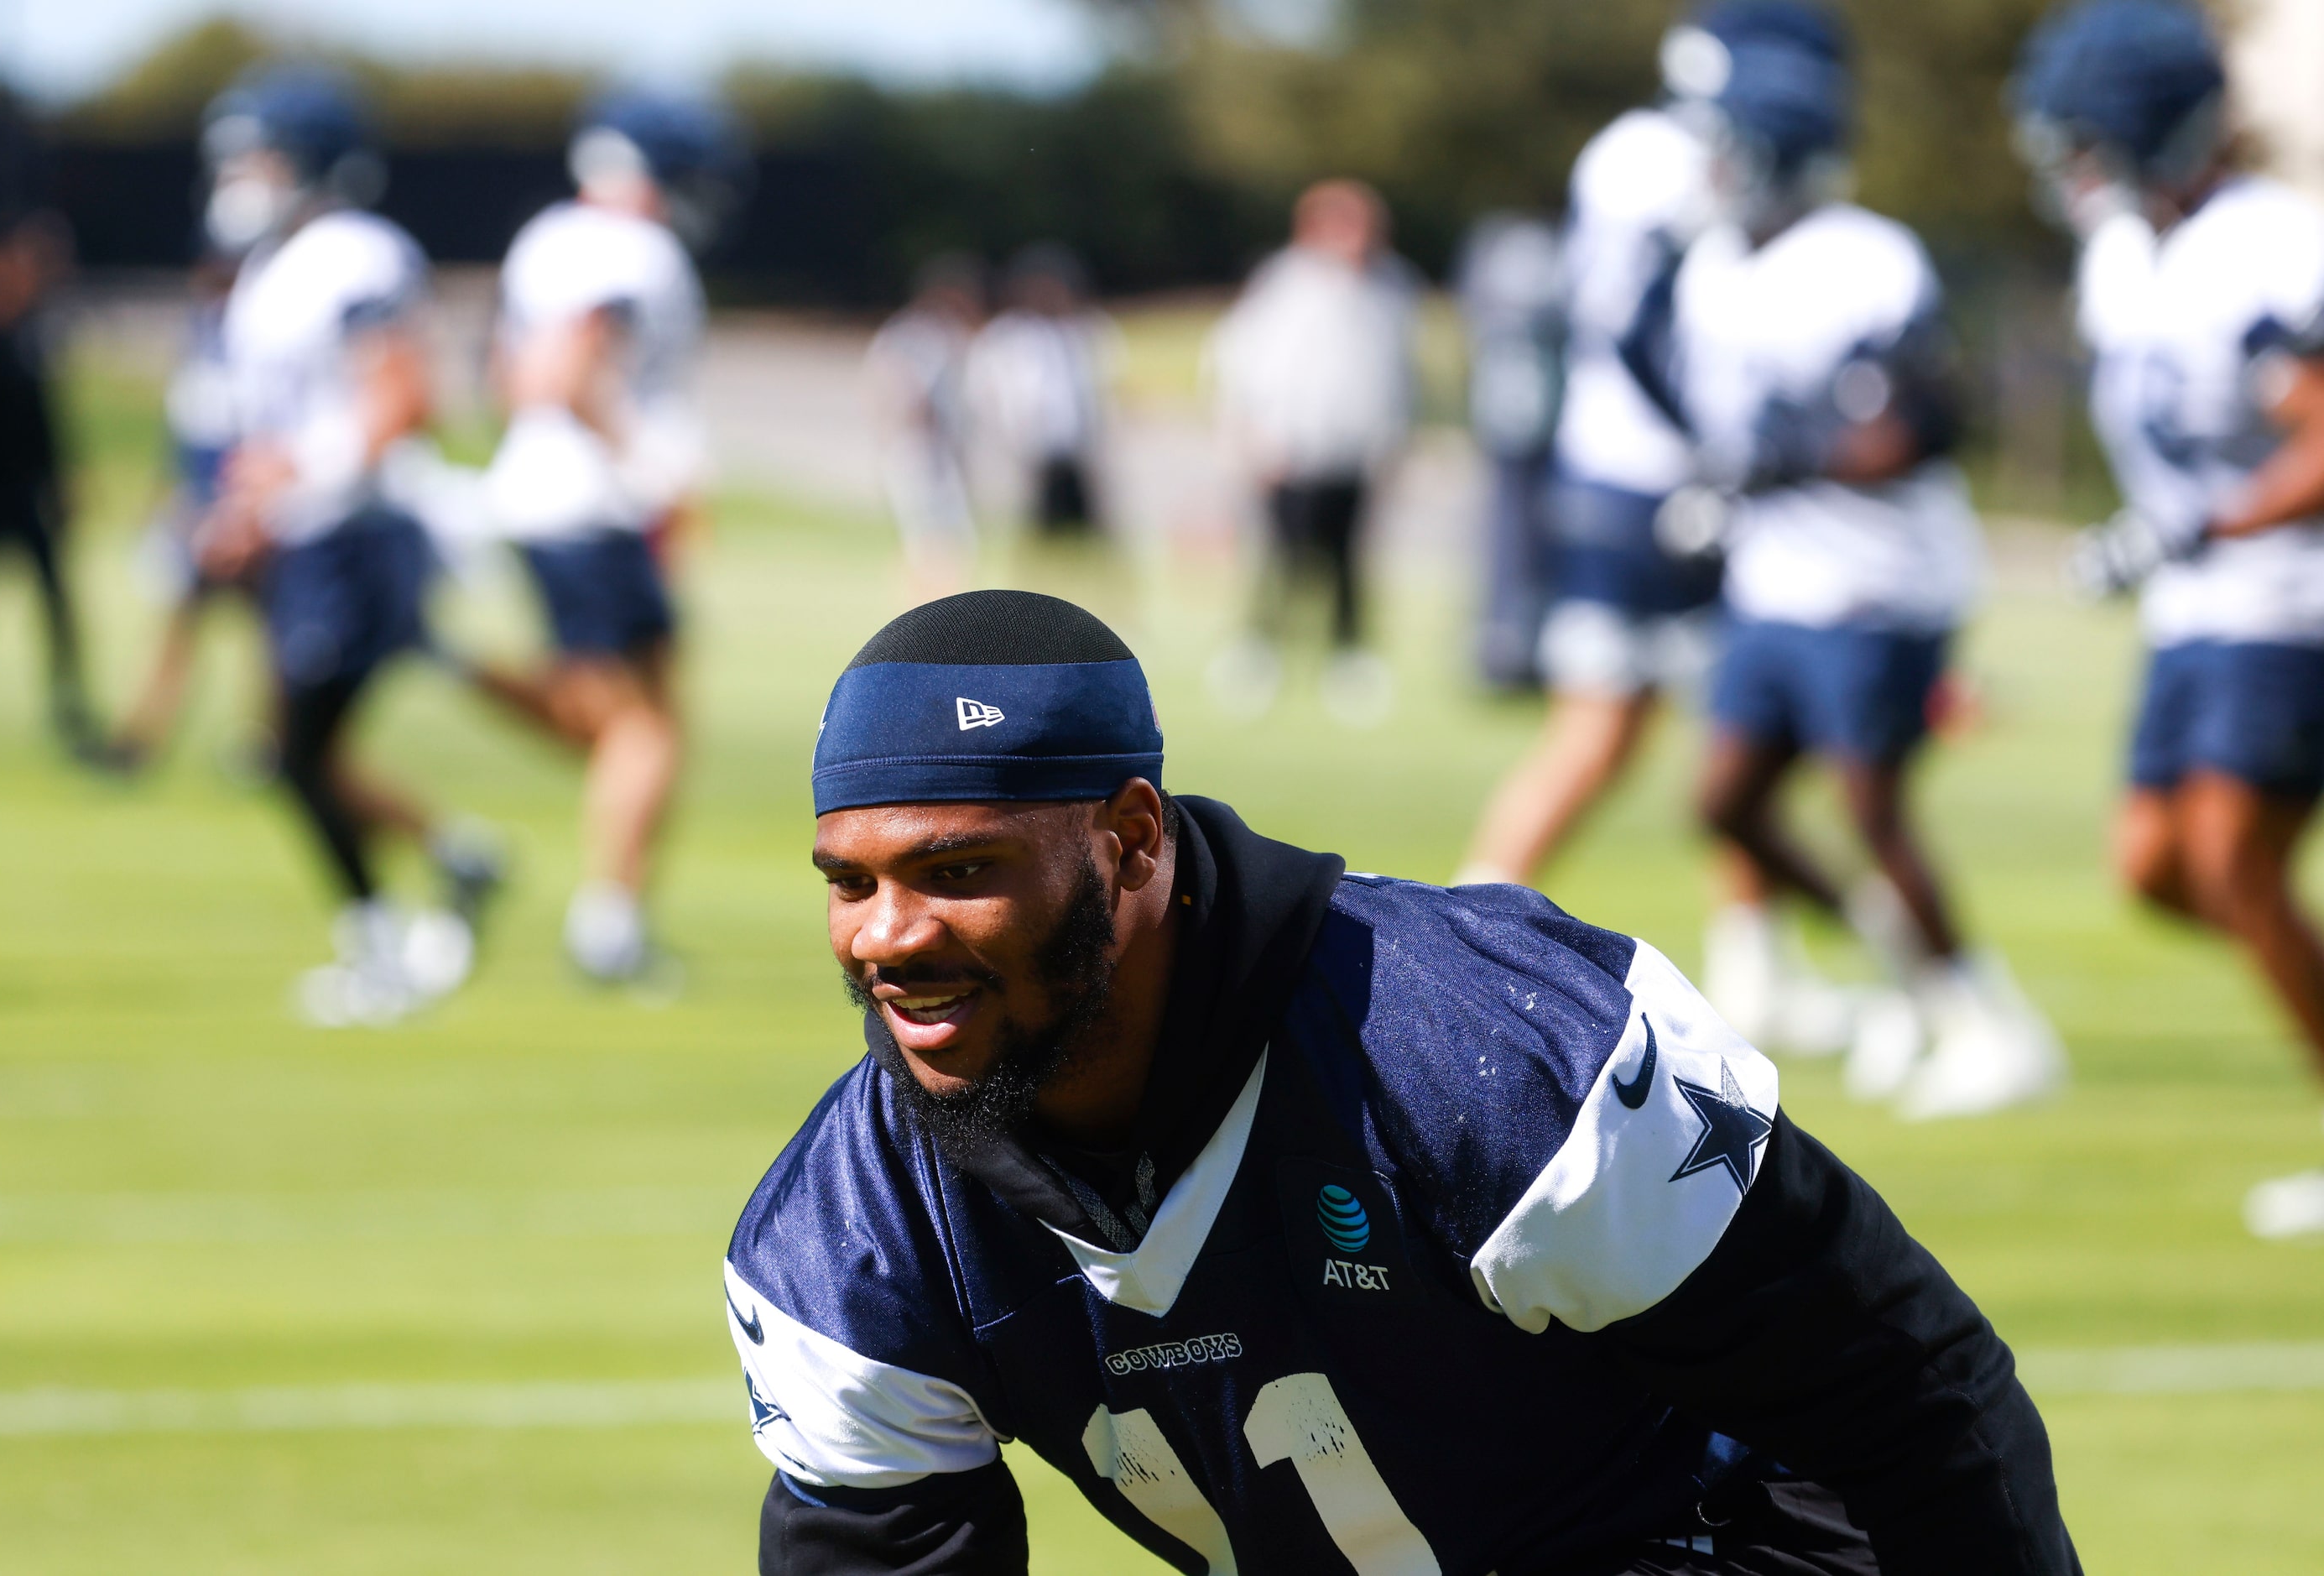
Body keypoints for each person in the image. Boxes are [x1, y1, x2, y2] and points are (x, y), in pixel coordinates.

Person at [726, 587, 2079, 1575]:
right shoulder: (847, 1237)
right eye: (850, 882)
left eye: (958, 870)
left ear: (1131, 837)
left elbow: (1910, 1398)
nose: (888, 938)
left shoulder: (1481, 1052)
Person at [1662, 30, 2061, 1117]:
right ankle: (1914, 977)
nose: (1704, 168)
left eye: (1722, 147)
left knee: (1873, 809)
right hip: (1777, 581)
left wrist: (1774, 463)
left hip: (1881, 583)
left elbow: (1920, 422)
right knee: (1726, 802)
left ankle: (1989, 1023)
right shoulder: (1709, 267)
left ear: (1768, 152)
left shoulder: (1864, 257)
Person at [1456, 3, 1855, 1063]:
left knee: (1680, 739)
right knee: (1676, 733)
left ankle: (1748, 961)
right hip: (1658, 481)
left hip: (1618, 472)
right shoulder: (1677, 158)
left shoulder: (1624, 149)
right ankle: (1461, 943)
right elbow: (1649, 326)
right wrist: (1725, 446)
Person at [2015, 1, 2324, 1234]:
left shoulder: (2268, 244)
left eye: (2089, 136)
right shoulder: (2119, 256)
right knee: (2152, 868)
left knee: (2232, 857)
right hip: (2194, 611)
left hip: (2290, 602)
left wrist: (2204, 525)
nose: (2072, 162)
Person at [196, 66, 499, 1025]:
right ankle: (445, 869)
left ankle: (383, 937)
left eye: (261, 155)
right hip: (306, 539)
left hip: (357, 534)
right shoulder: (268, 270)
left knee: (296, 748)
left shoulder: (355, 254)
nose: (241, 174)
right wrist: (244, 510)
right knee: (293, 750)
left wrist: (304, 478)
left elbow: (402, 393)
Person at [473, 90, 736, 984]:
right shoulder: (631, 249)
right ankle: (609, 926)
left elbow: (508, 375)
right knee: (645, 728)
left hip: (541, 494)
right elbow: (565, 368)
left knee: (633, 717)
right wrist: (654, 467)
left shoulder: (547, 235)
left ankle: (617, 917)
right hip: (594, 506)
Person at [1206, 179, 1417, 725]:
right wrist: (1252, 435)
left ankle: (1349, 659)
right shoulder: (1285, 284)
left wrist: (1392, 443)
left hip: (1355, 453)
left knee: (1349, 561)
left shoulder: (1390, 288)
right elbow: (1241, 361)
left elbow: (1397, 376)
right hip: (1292, 448)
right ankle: (1260, 654)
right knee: (1283, 556)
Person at [0, 210, 101, 759]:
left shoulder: (28, 334)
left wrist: (60, 480)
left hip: (23, 496)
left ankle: (68, 706)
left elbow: (43, 420)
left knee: (56, 603)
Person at [110, 247, 253, 771]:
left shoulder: (257, 341)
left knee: (270, 640)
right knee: (178, 632)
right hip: (199, 512)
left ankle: (269, 743)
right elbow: (185, 439)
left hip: (245, 515)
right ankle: (142, 738)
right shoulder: (201, 341)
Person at [1453, 212, 1566, 691]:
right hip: (1509, 431)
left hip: (1554, 433)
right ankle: (1504, 645)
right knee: (1506, 539)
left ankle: (1526, 644)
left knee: (1538, 539)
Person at [967, 243, 1118, 540]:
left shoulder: (1084, 330)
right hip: (1029, 451)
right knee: (1035, 526)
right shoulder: (1007, 337)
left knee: (1088, 529)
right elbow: (985, 394)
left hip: (1077, 448)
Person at [867, 254, 987, 601]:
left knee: (950, 536)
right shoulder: (914, 335)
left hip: (938, 452)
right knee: (932, 535)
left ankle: (938, 602)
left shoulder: (945, 336)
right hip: (919, 450)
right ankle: (926, 608)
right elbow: (897, 390)